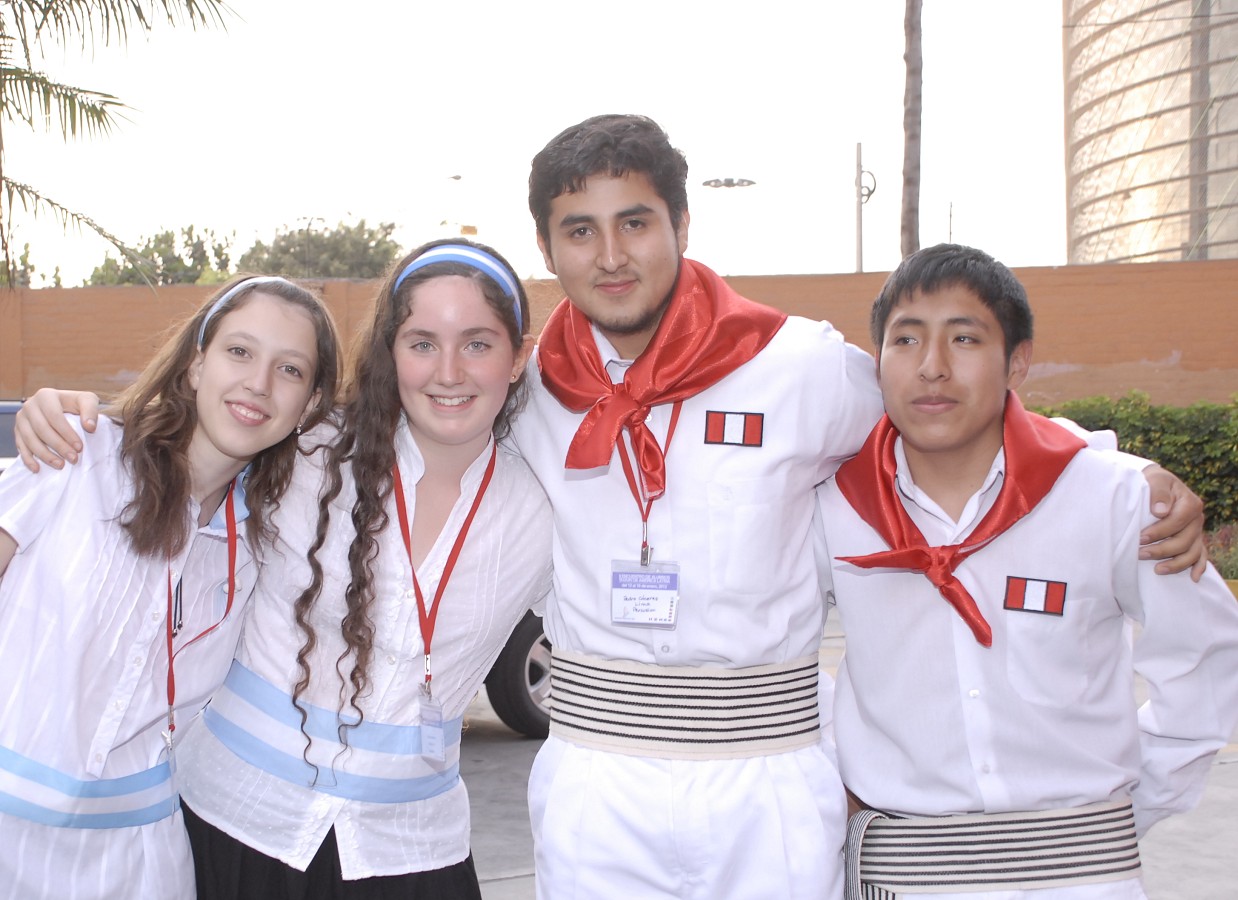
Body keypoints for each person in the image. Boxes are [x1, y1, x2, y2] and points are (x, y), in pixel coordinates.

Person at [504, 115, 1208, 900]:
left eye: (634, 223)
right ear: (546, 248)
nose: (610, 256)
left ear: (682, 224)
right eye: (580, 231)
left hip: (765, 782)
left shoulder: (793, 364)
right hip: (596, 776)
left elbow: (940, 407)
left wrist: (1115, 466)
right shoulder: (527, 399)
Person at [816, 243, 1238, 900]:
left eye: (964, 338)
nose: (932, 367)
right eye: (906, 340)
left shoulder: (1112, 499)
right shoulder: (834, 509)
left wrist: (1131, 802)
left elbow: (1206, 659)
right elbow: (770, 648)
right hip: (907, 876)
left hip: (1081, 877)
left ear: (1017, 361)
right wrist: (833, 770)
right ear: (879, 364)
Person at [176, 240, 552, 899]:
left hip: (407, 854)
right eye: (422, 343)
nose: (449, 371)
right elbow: (169, 460)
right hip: (234, 825)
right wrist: (72, 420)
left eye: (478, 344)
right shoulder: (305, 453)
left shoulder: (543, 508)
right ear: (391, 352)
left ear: (518, 357)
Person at [0, 276, 341, 900]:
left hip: (138, 860)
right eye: (239, 352)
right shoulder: (77, 459)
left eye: (289, 369)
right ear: (194, 364)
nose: (258, 384)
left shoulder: (268, 544)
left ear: (310, 405)